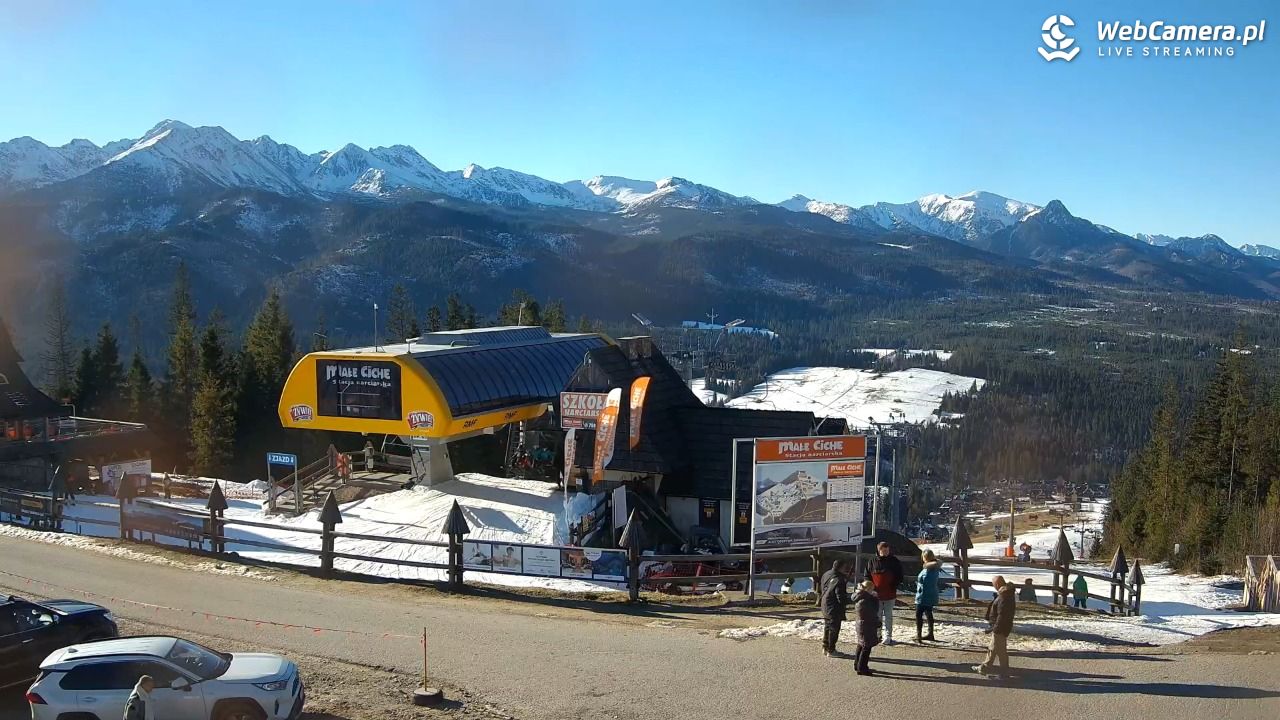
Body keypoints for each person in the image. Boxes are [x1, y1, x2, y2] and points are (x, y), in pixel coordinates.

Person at [976, 575, 1016, 677]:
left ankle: (1003, 673)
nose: (993, 586)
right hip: (1001, 626)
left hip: (1000, 627)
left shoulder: (1004, 596)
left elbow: (1002, 615)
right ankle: (985, 667)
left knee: (999, 650)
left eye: (993, 584)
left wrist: (996, 628)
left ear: (997, 584)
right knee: (994, 648)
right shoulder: (1005, 594)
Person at [865, 541, 903, 645]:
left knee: (888, 615)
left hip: (890, 593)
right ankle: (877, 635)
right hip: (876, 594)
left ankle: (888, 636)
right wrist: (870, 588)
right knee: (877, 616)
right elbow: (867, 575)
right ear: (879, 550)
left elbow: (900, 576)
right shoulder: (872, 561)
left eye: (887, 550)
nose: (886, 552)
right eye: (884, 550)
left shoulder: (894, 561)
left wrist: (894, 585)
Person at [819, 559, 853, 657]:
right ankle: (831, 650)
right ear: (841, 567)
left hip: (825, 603)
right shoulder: (839, 579)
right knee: (834, 628)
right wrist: (848, 602)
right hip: (834, 607)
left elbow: (822, 586)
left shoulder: (826, 574)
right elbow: (840, 596)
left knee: (827, 626)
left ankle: (825, 647)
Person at [851, 580, 881, 676]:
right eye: (872, 589)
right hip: (867, 625)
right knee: (866, 647)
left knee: (861, 644)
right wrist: (877, 622)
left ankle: (857, 665)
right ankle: (862, 668)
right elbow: (872, 613)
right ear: (868, 589)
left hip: (861, 624)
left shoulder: (860, 597)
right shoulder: (867, 600)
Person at [914, 549, 941, 642]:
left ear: (925, 558)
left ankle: (919, 635)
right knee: (929, 613)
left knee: (919, 614)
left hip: (923, 595)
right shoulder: (935, 568)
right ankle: (931, 633)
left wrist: (919, 585)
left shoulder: (928, 570)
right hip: (931, 594)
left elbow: (925, 582)